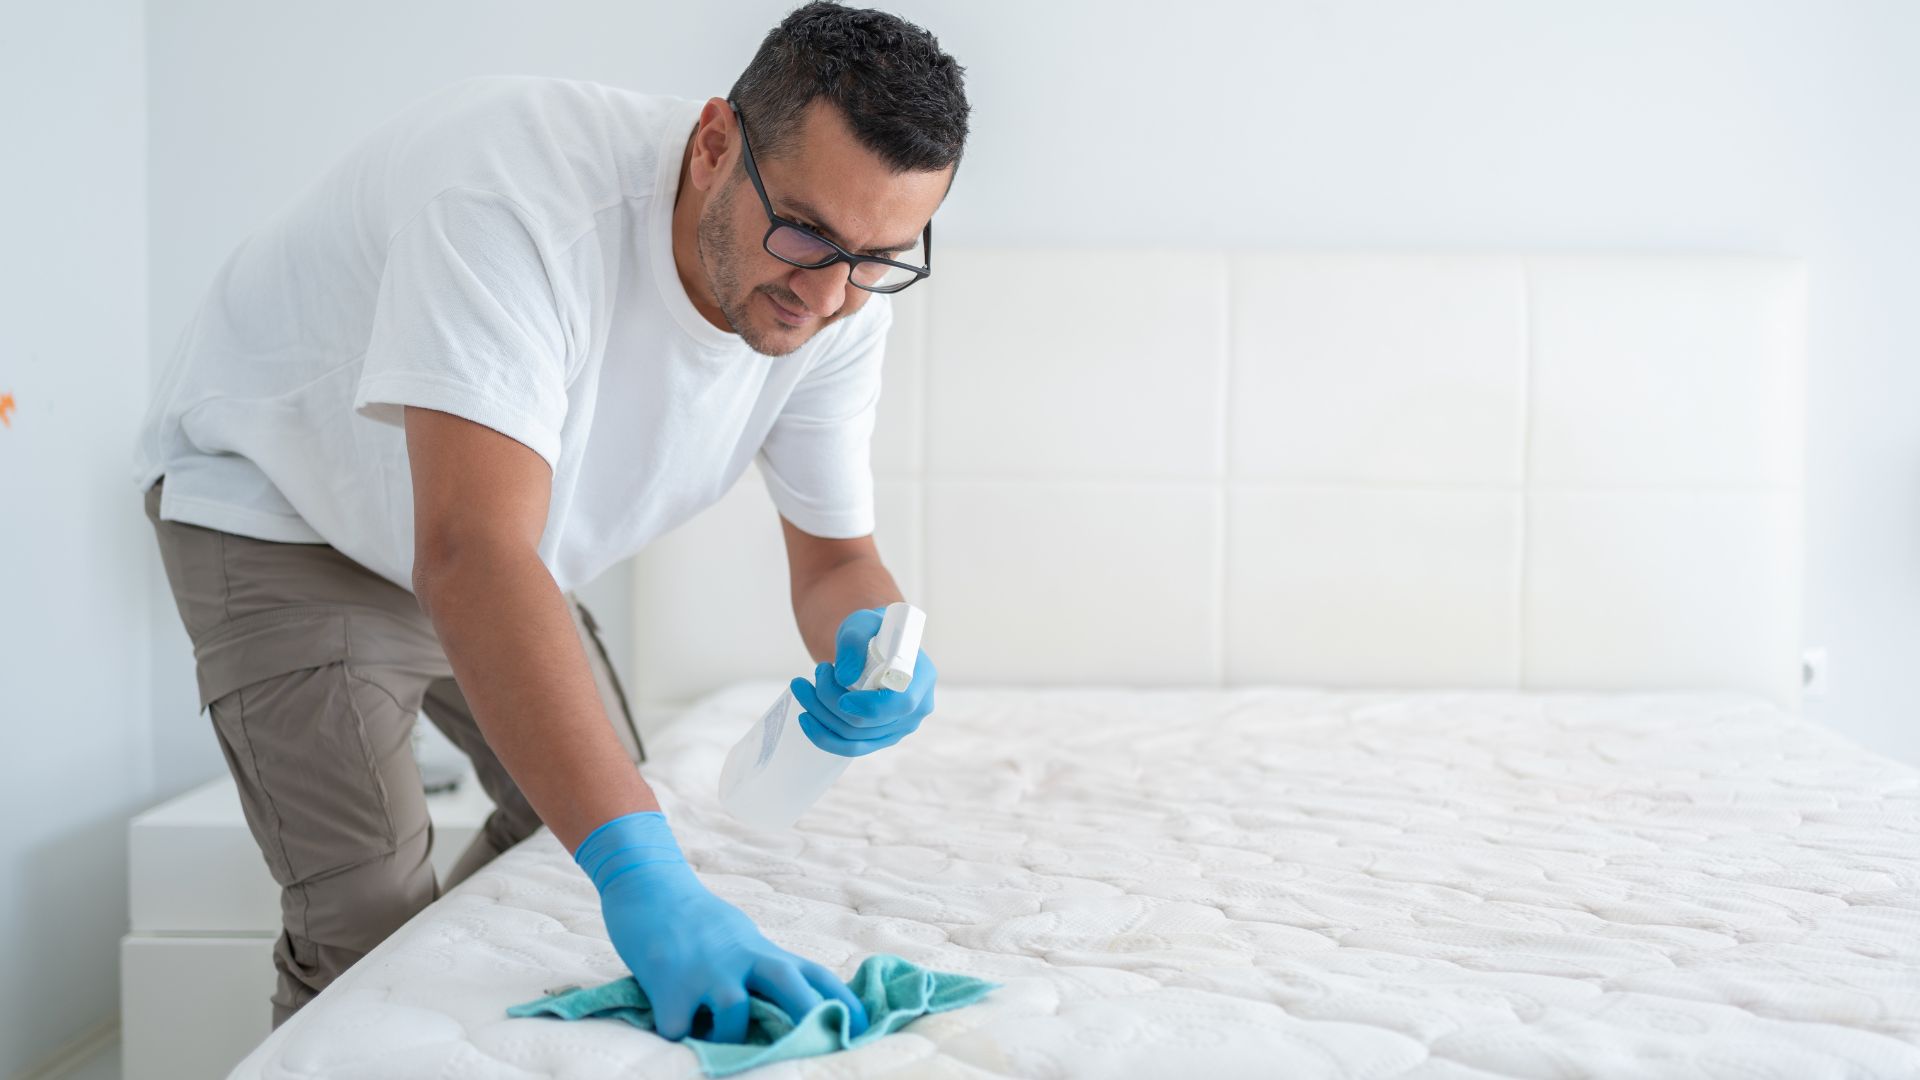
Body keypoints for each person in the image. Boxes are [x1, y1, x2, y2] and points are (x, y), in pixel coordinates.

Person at [132, 1, 965, 1043]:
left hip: (487, 542)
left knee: (558, 843)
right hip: (287, 508)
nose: (832, 292)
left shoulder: (842, 298)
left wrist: (875, 643)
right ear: (714, 145)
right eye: (806, 233)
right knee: (368, 917)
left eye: (881, 257)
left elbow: (838, 556)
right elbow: (469, 549)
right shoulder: (514, 188)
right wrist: (643, 876)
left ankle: (445, 1022)